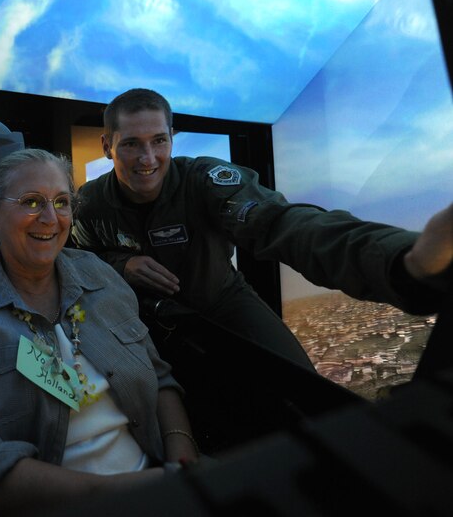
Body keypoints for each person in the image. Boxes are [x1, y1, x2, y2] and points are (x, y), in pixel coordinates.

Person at [71, 88, 453, 373]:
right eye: (131, 144)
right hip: (143, 319)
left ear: (172, 136)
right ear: (107, 145)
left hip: (222, 300)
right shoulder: (89, 205)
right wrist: (122, 266)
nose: (148, 158)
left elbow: (281, 224)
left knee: (301, 384)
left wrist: (401, 261)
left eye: (159, 141)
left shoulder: (204, 180)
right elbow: (77, 261)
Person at [0, 149, 198, 517]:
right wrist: (118, 494)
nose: (50, 218)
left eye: (62, 202)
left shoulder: (100, 276)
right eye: (31, 202)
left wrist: (184, 464)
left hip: (158, 483)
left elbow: (159, 378)